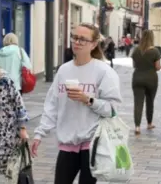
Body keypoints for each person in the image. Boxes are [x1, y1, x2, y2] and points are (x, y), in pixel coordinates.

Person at [32, 22, 122, 184]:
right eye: (74, 38)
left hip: (93, 142)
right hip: (68, 142)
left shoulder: (104, 71)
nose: (77, 42)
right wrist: (40, 133)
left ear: (94, 44)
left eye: (82, 39)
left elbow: (112, 109)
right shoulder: (63, 70)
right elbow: (52, 105)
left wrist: (88, 99)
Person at [131, 29, 161, 135]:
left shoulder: (136, 50)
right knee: (150, 101)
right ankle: (149, 123)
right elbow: (158, 67)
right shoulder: (155, 51)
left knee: (138, 103)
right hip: (151, 78)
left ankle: (137, 126)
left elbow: (134, 65)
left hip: (137, 78)